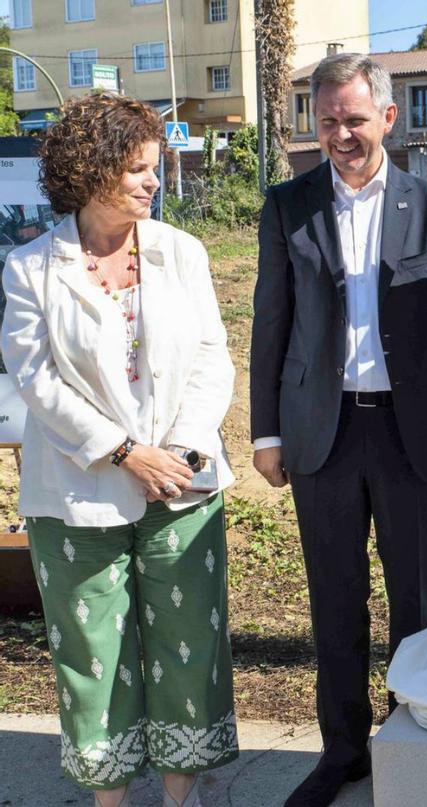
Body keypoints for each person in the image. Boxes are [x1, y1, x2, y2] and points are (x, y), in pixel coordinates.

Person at [249, 52, 427, 807]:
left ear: (387, 117)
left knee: (415, 600)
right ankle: (342, 752)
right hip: (323, 431)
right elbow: (270, 323)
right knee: (335, 601)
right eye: (327, 121)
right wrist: (266, 433)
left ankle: (413, 740)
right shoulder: (289, 205)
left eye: (354, 118)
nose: (341, 134)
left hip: (411, 431)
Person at [0, 93, 237, 807]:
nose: (152, 181)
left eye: (153, 167)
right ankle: (110, 799)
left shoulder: (180, 251)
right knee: (92, 654)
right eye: (137, 169)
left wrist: (185, 451)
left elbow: (211, 356)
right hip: (76, 492)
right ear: (93, 171)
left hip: (181, 487)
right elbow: (35, 379)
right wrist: (125, 451)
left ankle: (181, 794)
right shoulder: (30, 268)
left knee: (188, 644)